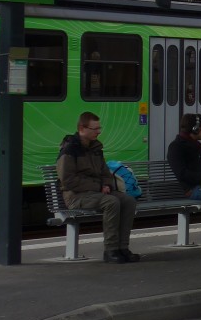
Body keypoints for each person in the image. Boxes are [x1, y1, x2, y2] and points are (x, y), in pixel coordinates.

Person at [56, 112, 139, 264]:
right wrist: (99, 186)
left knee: (128, 201)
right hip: (76, 196)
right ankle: (110, 250)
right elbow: (68, 181)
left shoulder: (95, 149)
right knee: (111, 202)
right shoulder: (69, 151)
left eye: (99, 128)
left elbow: (105, 172)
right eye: (95, 129)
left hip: (96, 193)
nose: (98, 132)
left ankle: (123, 247)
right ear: (82, 128)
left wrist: (106, 184)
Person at [167, 113, 201, 200]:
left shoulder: (197, 146)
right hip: (191, 190)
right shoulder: (176, 147)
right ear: (195, 129)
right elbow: (182, 173)